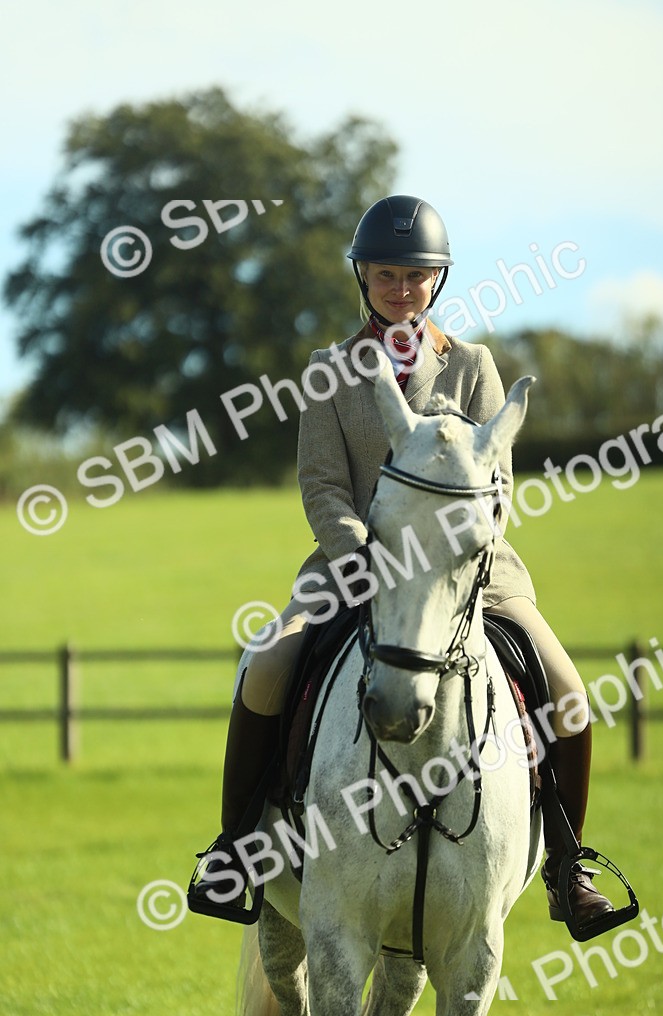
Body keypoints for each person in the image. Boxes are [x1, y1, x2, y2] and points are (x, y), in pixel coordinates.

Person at [190, 194, 613, 925]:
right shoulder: (327, 371)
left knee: (568, 692)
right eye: (386, 274)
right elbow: (322, 484)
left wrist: (450, 553)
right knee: (265, 667)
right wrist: (365, 558)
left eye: (415, 275)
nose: (401, 288)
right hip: (351, 566)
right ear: (363, 276)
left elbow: (498, 485)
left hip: (469, 573)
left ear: (438, 279)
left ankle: (568, 866)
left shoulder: (474, 366)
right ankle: (235, 853)